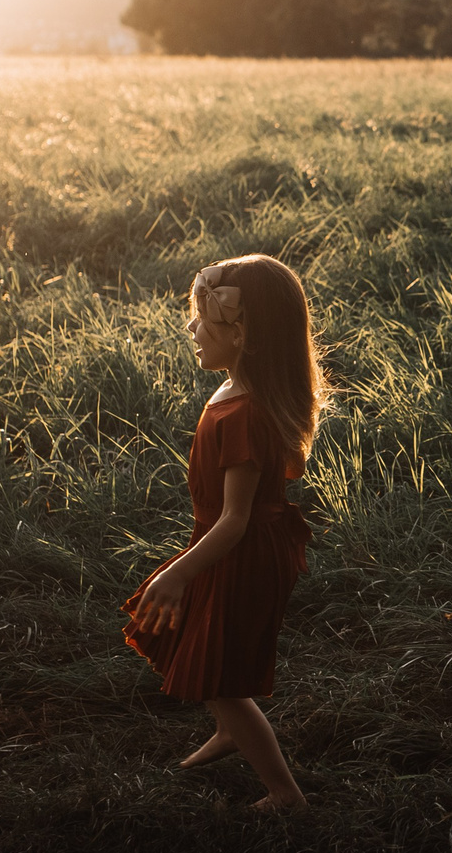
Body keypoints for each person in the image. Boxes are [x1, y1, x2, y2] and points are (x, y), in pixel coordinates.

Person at [122, 254, 321, 807]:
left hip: (243, 549)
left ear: (245, 335)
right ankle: (232, 733)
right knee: (198, 638)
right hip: (232, 542)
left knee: (221, 677)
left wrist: (177, 573)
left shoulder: (244, 416)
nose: (192, 329)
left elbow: (235, 518)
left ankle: (285, 795)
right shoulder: (236, 392)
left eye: (205, 320)